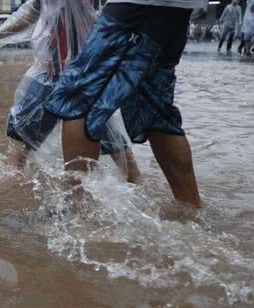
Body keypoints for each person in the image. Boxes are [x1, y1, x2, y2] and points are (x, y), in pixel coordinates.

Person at [44, 1, 204, 208]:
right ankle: (191, 210)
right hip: (177, 10)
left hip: (137, 7)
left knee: (80, 96)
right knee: (157, 112)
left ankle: (75, 209)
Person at [0, 0, 141, 183]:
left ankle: (14, 190)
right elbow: (33, 11)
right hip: (61, 73)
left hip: (74, 75)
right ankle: (137, 187)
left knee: (111, 141)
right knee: (20, 137)